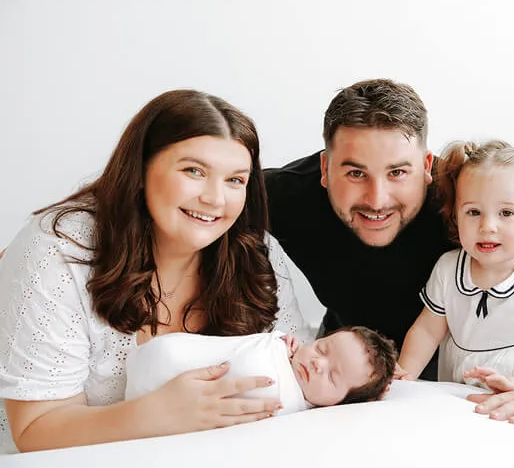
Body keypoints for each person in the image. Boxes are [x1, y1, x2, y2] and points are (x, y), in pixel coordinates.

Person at [263, 79, 514, 434]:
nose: (377, 199)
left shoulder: (471, 206)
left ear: (426, 165)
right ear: (325, 169)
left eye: (398, 172)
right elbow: (212, 198)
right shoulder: (284, 195)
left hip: (457, 374)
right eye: (356, 173)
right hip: (343, 364)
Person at [0, 90, 306, 454]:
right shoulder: (59, 250)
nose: (215, 199)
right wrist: (157, 415)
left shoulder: (255, 253)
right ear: (141, 169)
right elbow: (35, 431)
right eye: (194, 171)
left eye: (235, 180)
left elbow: (298, 376)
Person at [398, 140, 514, 394]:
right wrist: (404, 376)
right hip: (460, 396)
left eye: (506, 213)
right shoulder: (448, 268)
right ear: (456, 215)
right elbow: (427, 332)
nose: (488, 226)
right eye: (474, 212)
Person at [126, 325, 397, 412]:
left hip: (152, 394)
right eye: (322, 348)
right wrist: (279, 340)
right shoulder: (284, 348)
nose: (317, 364)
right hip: (154, 357)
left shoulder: (291, 407)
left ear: (339, 403)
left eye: (332, 376)